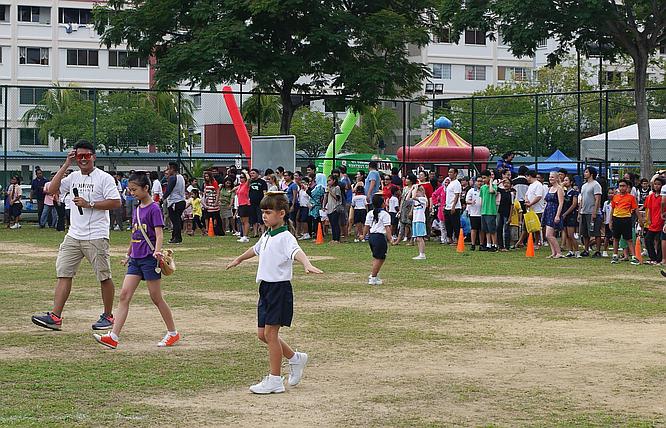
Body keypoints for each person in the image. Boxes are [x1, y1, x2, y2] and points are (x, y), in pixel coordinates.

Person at [226, 192, 322, 394]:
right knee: (263, 335)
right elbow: (256, 249)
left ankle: (275, 380)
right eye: (263, 212)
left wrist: (307, 264)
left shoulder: (286, 237)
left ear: (281, 213)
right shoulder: (267, 234)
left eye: (268, 212)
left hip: (279, 289)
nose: (264, 216)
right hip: (266, 289)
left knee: (271, 334)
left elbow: (297, 252)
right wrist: (239, 259)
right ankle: (296, 358)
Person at [31, 140, 122, 331]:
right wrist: (66, 164)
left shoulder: (104, 178)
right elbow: (51, 189)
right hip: (74, 234)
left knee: (104, 276)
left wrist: (90, 204)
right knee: (64, 273)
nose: (83, 159)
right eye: (79, 156)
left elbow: (115, 202)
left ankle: (108, 315)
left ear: (93, 157)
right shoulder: (72, 177)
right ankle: (55, 317)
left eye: (86, 156)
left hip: (96, 234)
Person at [93, 172, 179, 349]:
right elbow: (135, 234)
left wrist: (157, 252)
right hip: (136, 260)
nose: (131, 193)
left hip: (149, 259)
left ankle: (172, 333)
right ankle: (113, 337)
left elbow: (159, 233)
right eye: (130, 189)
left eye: (134, 189)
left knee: (156, 298)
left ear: (146, 188)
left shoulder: (154, 208)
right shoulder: (137, 209)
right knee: (124, 295)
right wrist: (128, 254)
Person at [364, 193, 392, 285]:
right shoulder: (385, 214)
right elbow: (387, 227)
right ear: (382, 204)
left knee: (378, 257)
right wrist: (390, 238)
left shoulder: (370, 213)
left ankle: (375, 273)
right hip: (379, 237)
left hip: (372, 237)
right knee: (379, 258)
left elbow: (367, 226)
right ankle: (373, 277)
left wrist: (363, 235)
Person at [610, 179, 640, 265]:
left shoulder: (631, 197)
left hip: (626, 219)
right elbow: (612, 209)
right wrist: (610, 220)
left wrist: (640, 220)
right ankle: (615, 256)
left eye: (624, 186)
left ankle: (634, 257)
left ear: (627, 187)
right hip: (616, 219)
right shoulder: (615, 197)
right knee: (616, 238)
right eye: (620, 186)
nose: (622, 188)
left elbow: (636, 209)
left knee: (629, 239)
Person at [578, 167, 603, 257]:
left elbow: (597, 199)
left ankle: (598, 251)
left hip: (592, 211)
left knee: (595, 232)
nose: (584, 173)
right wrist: (580, 211)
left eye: (586, 172)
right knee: (585, 233)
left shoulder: (596, 185)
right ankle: (586, 249)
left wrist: (595, 212)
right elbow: (582, 199)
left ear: (591, 174)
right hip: (584, 211)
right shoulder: (584, 185)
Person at [163, 162, 186, 244]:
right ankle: (174, 237)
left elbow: (168, 190)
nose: (167, 171)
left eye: (168, 169)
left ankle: (177, 238)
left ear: (172, 169)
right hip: (182, 201)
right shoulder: (181, 177)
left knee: (175, 221)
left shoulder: (173, 178)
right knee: (177, 220)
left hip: (174, 202)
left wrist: (162, 198)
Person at [543, 171, 565, 258]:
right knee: (548, 235)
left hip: (554, 211)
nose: (550, 179)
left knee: (549, 234)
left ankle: (559, 252)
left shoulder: (559, 189)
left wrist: (557, 215)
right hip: (548, 211)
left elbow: (561, 203)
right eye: (549, 177)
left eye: (552, 177)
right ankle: (553, 252)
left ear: (556, 178)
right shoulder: (550, 188)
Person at [642, 177, 664, 264]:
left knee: (659, 242)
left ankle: (659, 259)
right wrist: (647, 220)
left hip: (661, 222)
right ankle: (653, 257)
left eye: (659, 184)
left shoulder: (663, 197)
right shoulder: (650, 197)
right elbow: (648, 210)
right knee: (647, 239)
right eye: (655, 184)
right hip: (652, 223)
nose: (656, 186)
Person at [561, 175, 580, 257]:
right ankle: (570, 250)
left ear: (571, 182)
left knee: (571, 234)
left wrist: (566, 213)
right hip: (564, 215)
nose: (564, 182)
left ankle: (577, 251)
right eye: (564, 180)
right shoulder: (563, 192)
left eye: (566, 180)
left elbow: (574, 204)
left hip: (571, 215)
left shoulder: (574, 193)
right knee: (566, 234)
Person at [479, 170, 498, 251]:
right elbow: (482, 199)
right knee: (486, 229)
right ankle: (488, 244)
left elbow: (491, 191)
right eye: (482, 178)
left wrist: (491, 182)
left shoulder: (494, 186)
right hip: (484, 211)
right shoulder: (482, 188)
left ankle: (494, 244)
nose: (483, 180)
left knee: (492, 230)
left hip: (491, 211)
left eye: (485, 178)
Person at [409, 184, 428, 260]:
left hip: (420, 219)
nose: (416, 193)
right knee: (417, 238)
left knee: (420, 237)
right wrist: (411, 189)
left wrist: (416, 188)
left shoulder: (423, 199)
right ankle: (420, 253)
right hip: (415, 219)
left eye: (417, 192)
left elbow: (413, 197)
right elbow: (408, 198)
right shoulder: (416, 201)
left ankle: (422, 254)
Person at [444, 168, 462, 244]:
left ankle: (457, 239)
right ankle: (450, 238)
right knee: (448, 224)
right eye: (449, 172)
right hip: (447, 206)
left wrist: (453, 206)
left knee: (455, 224)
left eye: (451, 172)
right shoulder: (450, 183)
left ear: (455, 174)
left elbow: (457, 195)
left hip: (454, 207)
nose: (449, 174)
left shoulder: (456, 183)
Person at [202, 171, 222, 236]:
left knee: (215, 217)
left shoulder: (214, 182)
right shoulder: (205, 183)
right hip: (208, 202)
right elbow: (204, 193)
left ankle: (216, 230)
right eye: (205, 176)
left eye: (207, 176)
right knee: (206, 217)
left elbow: (218, 192)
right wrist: (204, 203)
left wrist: (216, 202)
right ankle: (207, 230)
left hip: (214, 202)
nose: (206, 178)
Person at [249, 168, 268, 237]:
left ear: (257, 174)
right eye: (251, 174)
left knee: (261, 218)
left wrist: (264, 201)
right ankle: (255, 233)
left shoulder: (262, 182)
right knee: (253, 219)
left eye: (253, 173)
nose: (252, 175)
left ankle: (263, 233)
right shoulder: (250, 182)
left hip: (260, 203)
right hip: (251, 202)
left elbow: (265, 192)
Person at [324, 175, 343, 243]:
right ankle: (333, 238)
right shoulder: (328, 188)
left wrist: (330, 191)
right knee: (332, 224)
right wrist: (324, 205)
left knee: (335, 224)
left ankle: (337, 239)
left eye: (329, 180)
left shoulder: (337, 188)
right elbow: (326, 197)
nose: (328, 182)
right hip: (329, 208)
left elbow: (337, 198)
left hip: (335, 208)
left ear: (334, 180)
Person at [466, 176, 483, 250]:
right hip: (474, 213)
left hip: (483, 213)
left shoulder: (484, 190)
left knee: (482, 229)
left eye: (481, 181)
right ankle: (473, 244)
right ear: (475, 182)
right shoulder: (471, 191)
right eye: (478, 181)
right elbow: (467, 201)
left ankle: (481, 244)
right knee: (474, 229)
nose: (480, 183)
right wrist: (471, 202)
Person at [496, 177, 513, 251]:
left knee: (506, 229)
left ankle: (507, 246)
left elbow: (512, 205)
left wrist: (510, 217)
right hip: (501, 212)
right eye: (505, 183)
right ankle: (500, 245)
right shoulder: (502, 191)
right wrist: (501, 182)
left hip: (507, 212)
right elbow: (495, 187)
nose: (506, 184)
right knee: (499, 228)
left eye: (508, 183)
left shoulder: (511, 193)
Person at [234, 171, 251, 243]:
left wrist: (246, 173)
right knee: (242, 221)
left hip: (245, 204)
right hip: (240, 204)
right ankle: (243, 235)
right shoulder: (240, 185)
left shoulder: (246, 185)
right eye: (240, 177)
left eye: (242, 177)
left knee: (246, 221)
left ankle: (246, 236)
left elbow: (249, 179)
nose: (241, 179)